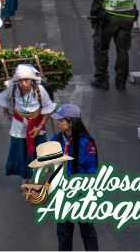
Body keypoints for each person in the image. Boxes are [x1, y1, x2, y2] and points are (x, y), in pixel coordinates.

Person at [49, 104, 99, 250]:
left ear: (71, 122)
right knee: (63, 234)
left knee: (87, 231)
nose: (58, 123)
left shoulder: (86, 143)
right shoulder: (55, 138)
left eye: (61, 120)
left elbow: (92, 170)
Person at [0, 64, 55, 179]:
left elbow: (48, 107)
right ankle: (25, 177)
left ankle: (36, 175)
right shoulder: (13, 89)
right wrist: (5, 111)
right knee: (20, 151)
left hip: (37, 124)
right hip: (19, 125)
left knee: (38, 150)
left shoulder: (40, 89)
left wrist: (40, 126)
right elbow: (2, 98)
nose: (23, 84)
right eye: (20, 81)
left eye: (26, 80)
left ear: (31, 80)